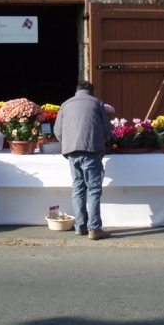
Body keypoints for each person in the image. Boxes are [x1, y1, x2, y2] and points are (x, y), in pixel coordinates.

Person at [54, 81, 112, 240]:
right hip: (91, 149)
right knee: (93, 189)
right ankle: (94, 229)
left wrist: (67, 143)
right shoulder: (97, 102)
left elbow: (57, 131)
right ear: (91, 91)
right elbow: (107, 129)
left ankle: (80, 227)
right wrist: (101, 141)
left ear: (77, 90)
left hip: (72, 151)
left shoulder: (65, 105)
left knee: (78, 187)